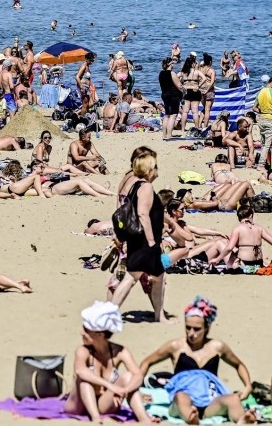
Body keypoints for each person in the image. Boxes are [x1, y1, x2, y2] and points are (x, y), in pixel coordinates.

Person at [140, 297, 256, 424]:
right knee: (180, 397)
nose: (191, 333)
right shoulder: (176, 346)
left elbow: (238, 364)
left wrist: (248, 386)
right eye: (188, 327)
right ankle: (192, 418)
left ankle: (242, 420)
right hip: (182, 401)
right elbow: (147, 362)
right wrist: (136, 390)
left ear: (207, 327)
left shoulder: (217, 347)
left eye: (197, 329)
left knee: (233, 399)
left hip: (210, 402)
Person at [63, 301, 152, 422]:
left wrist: (125, 390)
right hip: (78, 405)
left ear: (100, 334)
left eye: (86, 330)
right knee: (84, 380)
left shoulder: (120, 351)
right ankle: (96, 419)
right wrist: (110, 386)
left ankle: (144, 419)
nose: (81, 333)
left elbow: (138, 375)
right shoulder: (83, 351)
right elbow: (80, 371)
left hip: (103, 403)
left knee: (128, 376)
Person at [110, 147, 169, 321]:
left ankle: (159, 316)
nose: (157, 171)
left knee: (156, 277)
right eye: (155, 167)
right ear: (149, 170)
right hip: (145, 242)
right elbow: (143, 215)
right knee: (132, 278)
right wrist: (152, 243)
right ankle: (110, 314)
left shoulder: (136, 186)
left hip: (139, 240)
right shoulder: (146, 187)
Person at [207, 202, 272, 268]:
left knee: (223, 247)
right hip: (258, 263)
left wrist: (217, 259)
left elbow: (229, 248)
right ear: (251, 216)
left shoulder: (238, 229)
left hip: (243, 264)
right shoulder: (259, 228)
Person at [254, 76, 272, 171]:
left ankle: (266, 162)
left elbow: (254, 108)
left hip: (261, 119)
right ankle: (261, 165)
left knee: (263, 143)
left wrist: (262, 111)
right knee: (267, 145)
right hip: (270, 119)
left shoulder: (260, 92)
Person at [160, 57, 184, 140]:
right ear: (170, 64)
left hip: (164, 94)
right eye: (173, 63)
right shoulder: (172, 73)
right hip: (173, 95)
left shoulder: (161, 73)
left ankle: (164, 134)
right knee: (173, 115)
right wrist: (184, 92)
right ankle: (169, 134)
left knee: (167, 115)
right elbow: (179, 86)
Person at [180, 54, 205, 133]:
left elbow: (176, 78)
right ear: (192, 64)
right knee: (195, 112)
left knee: (185, 112)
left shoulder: (183, 72)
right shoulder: (196, 72)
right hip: (195, 91)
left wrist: (181, 86)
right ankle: (197, 128)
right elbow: (204, 78)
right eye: (194, 63)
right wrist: (199, 85)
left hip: (186, 91)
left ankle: (183, 129)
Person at [199, 54, 217, 129]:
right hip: (209, 91)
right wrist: (207, 89)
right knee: (207, 109)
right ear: (210, 62)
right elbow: (212, 82)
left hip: (201, 90)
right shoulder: (211, 70)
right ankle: (205, 126)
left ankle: (199, 124)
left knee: (204, 108)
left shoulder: (200, 69)